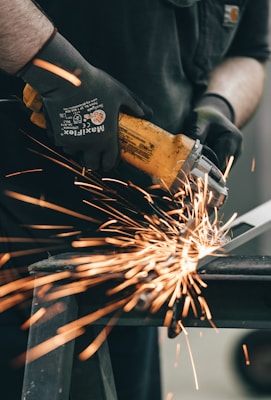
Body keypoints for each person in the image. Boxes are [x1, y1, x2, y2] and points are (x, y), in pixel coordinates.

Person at [0, 1, 269, 399]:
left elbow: (249, 53)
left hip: (135, 258)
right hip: (16, 243)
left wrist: (219, 106)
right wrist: (55, 68)